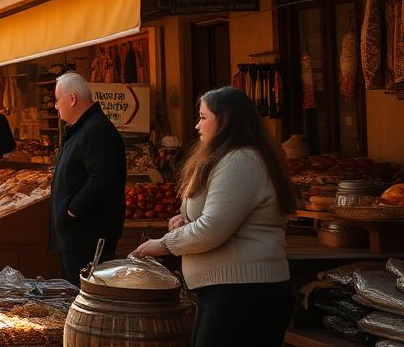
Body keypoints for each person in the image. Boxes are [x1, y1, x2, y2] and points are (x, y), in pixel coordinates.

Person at [132, 87, 296, 347]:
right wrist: (184, 220)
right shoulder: (227, 158)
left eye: (203, 117)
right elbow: (217, 215)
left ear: (225, 120)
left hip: (245, 294)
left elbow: (212, 229)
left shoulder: (241, 161)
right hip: (229, 292)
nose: (197, 125)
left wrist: (164, 244)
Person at [49, 72, 126, 286]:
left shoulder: (97, 129)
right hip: (76, 236)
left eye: (57, 100)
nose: (56, 106)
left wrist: (71, 210)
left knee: (83, 297)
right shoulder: (83, 128)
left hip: (87, 237)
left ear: (72, 99)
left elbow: (102, 179)